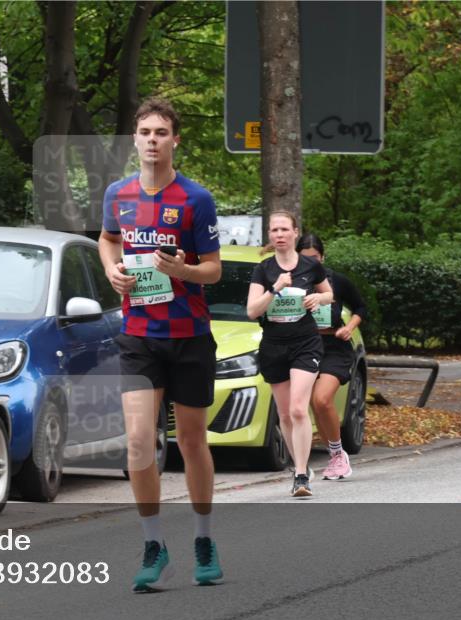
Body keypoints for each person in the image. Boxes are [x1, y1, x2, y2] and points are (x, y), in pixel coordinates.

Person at [99, 97, 223, 592]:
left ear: (175, 140)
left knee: (192, 440)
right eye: (145, 132)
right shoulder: (118, 193)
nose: (152, 140)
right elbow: (109, 239)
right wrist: (111, 267)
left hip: (189, 335)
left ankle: (203, 538)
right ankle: (153, 544)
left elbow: (213, 269)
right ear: (135, 139)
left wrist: (183, 271)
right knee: (137, 440)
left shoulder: (196, 199)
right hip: (139, 337)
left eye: (161, 132)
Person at [247, 212, 333, 497]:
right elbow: (252, 311)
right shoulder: (263, 269)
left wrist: (318, 298)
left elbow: (328, 294)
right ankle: (301, 466)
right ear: (270, 235)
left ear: (295, 232)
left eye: (284, 229)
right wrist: (275, 289)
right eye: (274, 230)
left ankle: (300, 477)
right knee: (284, 414)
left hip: (305, 342)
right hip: (273, 344)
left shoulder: (310, 265)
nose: (279, 234)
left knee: (298, 408)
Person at [297, 233, 367, 480]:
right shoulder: (293, 282)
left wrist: (350, 327)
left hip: (334, 347)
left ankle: (338, 455)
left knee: (322, 399)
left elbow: (360, 307)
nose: (310, 264)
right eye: (305, 259)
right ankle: (333, 454)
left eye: (315, 259)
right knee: (312, 405)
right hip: (305, 346)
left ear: (323, 257)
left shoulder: (336, 280)